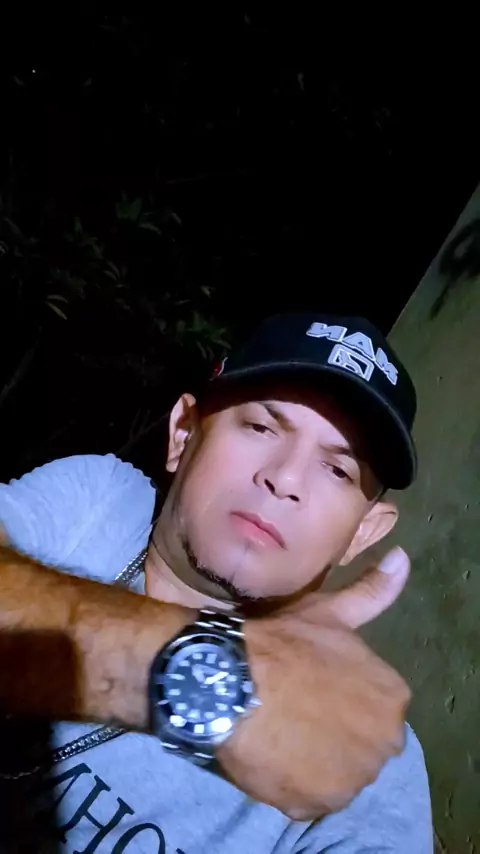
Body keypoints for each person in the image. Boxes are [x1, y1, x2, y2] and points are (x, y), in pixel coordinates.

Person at [0, 312, 433, 852]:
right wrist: (207, 684)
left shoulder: (367, 753)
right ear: (183, 433)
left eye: (338, 470)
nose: (284, 478)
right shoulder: (98, 505)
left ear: (363, 532)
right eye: (261, 427)